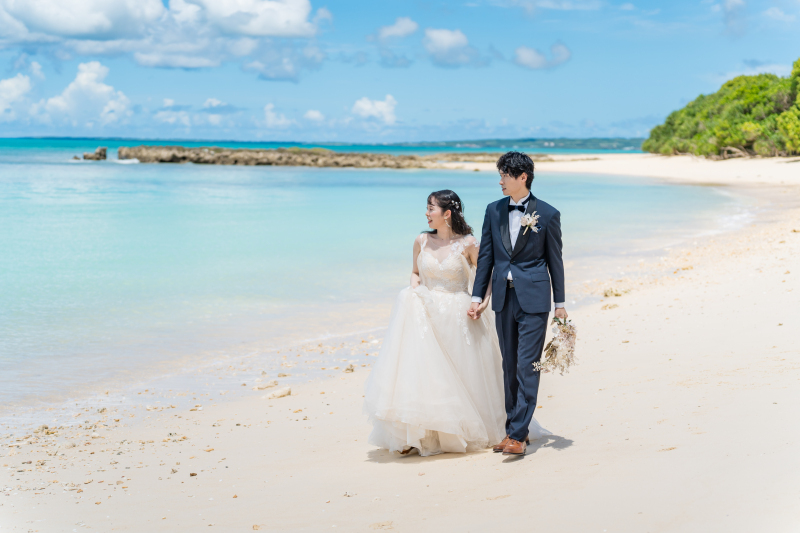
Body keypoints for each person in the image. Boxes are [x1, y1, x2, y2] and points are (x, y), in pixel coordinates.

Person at [363, 189, 549, 456]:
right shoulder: (421, 241)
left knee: (462, 376)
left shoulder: (469, 244)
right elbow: (415, 273)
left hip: (459, 314)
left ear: (447, 213)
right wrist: (413, 293)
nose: (426, 214)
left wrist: (482, 301)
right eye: (427, 208)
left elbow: (486, 276)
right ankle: (419, 434)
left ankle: (464, 431)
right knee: (424, 373)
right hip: (425, 313)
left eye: (431, 209)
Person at [468, 151, 566, 456]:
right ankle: (513, 428)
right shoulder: (493, 210)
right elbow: (486, 256)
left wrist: (560, 302)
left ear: (522, 177)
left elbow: (555, 260)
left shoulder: (548, 214)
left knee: (529, 365)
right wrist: (477, 295)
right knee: (508, 366)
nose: (500, 181)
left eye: (504, 176)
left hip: (535, 299)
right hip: (502, 297)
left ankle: (518, 434)